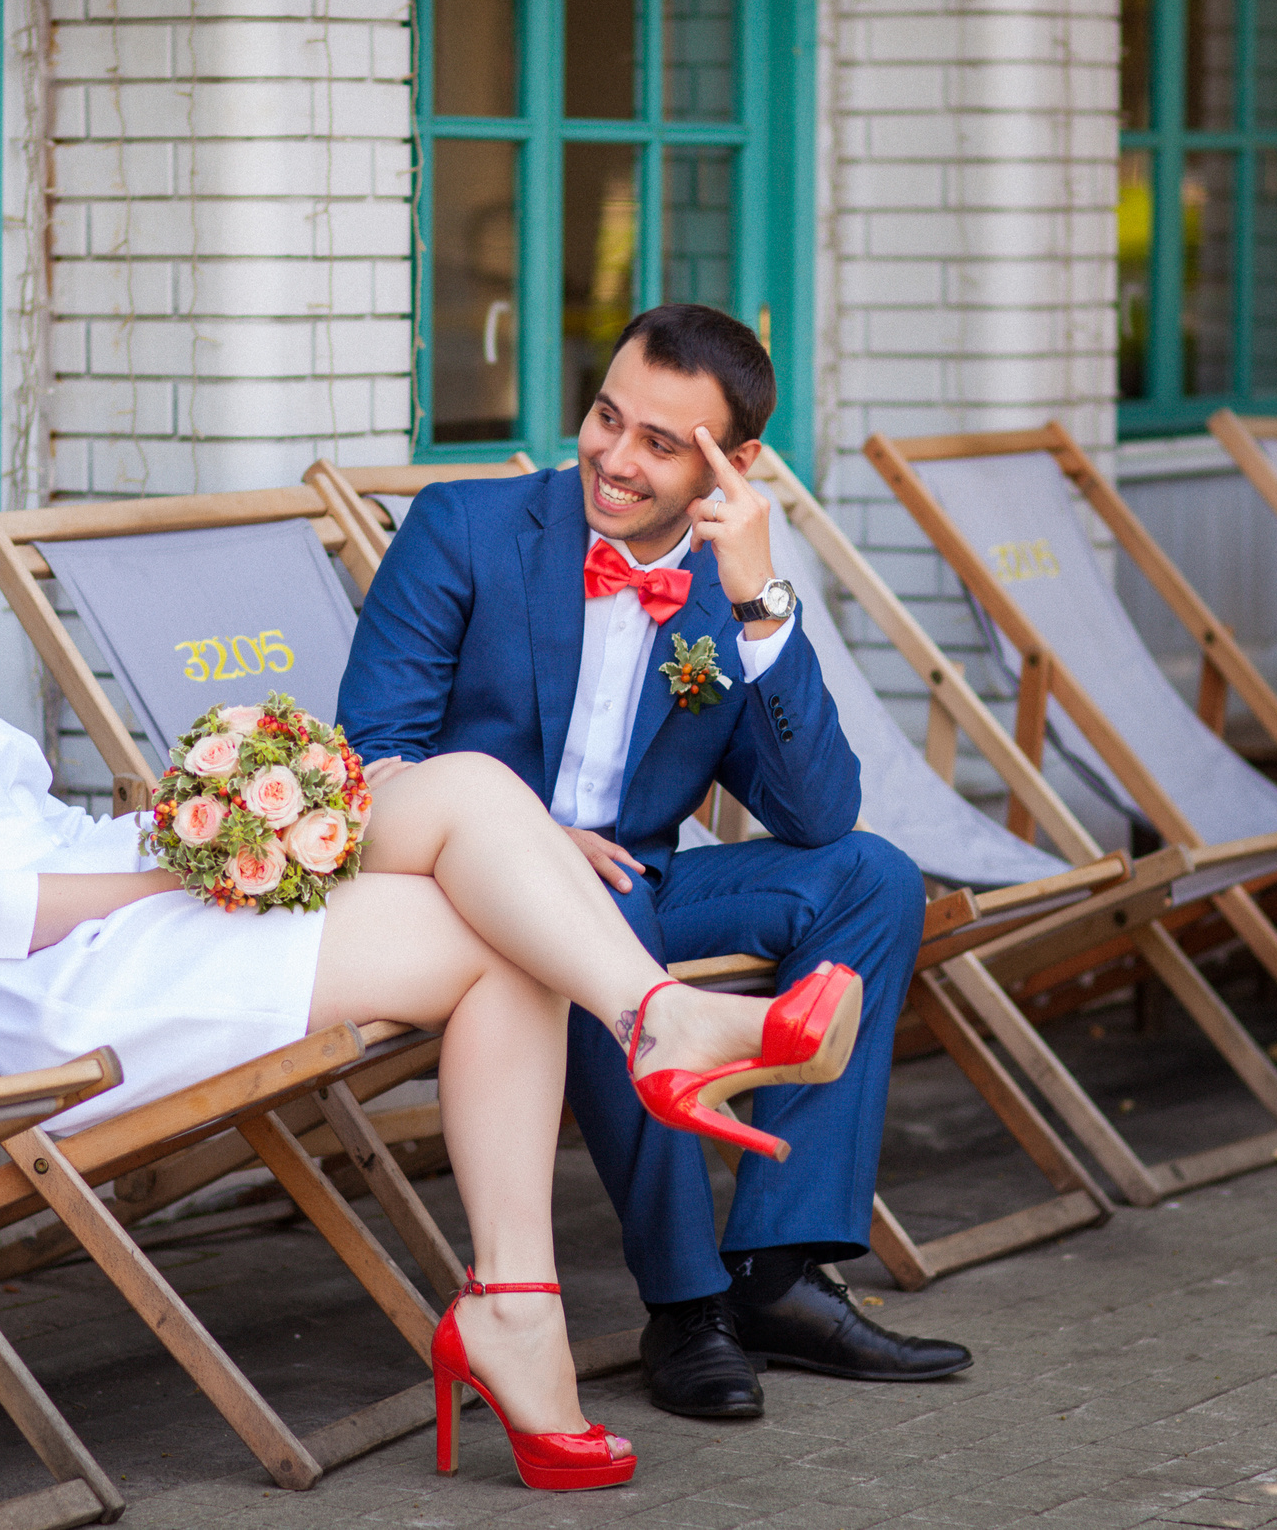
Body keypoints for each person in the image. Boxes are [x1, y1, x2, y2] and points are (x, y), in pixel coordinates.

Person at [0, 388, 865, 1494]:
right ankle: (624, 1091)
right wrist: (160, 870)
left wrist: (213, 817)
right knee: (500, 907)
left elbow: (17, 835)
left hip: (126, 917)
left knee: (473, 819)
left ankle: (541, 1252)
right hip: (69, 992)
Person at [338, 302, 973, 1421]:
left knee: (870, 875)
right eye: (605, 418)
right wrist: (527, 842)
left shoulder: (731, 595)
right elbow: (375, 754)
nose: (615, 459)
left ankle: (776, 1273)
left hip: (640, 883)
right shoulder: (463, 531)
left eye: (661, 444)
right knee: (603, 904)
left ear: (736, 466)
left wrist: (760, 605)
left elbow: (818, 811)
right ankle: (687, 1304)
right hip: (474, 905)